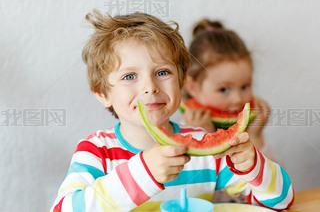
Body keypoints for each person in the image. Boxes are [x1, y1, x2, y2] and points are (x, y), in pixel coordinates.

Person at [50, 11, 294, 211]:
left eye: (162, 72)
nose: (149, 87)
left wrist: (254, 166)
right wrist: (142, 174)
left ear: (181, 82)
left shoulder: (204, 149)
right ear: (103, 94)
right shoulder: (96, 152)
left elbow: (281, 201)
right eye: (130, 76)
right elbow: (62, 209)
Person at [182, 19, 283, 203]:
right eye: (224, 89)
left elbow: (277, 188)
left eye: (245, 86)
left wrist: (256, 138)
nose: (237, 99)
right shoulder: (182, 134)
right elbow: (188, 191)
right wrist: (203, 139)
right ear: (193, 87)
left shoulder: (247, 129)